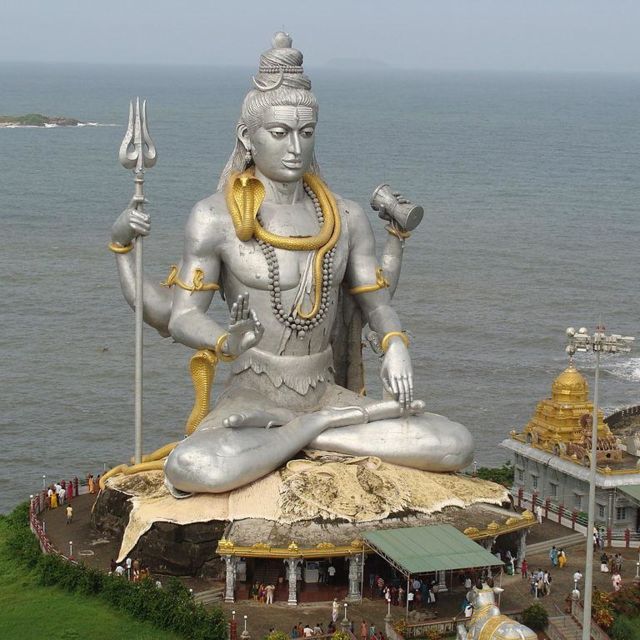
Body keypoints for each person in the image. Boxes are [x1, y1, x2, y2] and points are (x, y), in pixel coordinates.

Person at [110, 31, 474, 498]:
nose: (295, 148)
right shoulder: (215, 217)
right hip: (253, 393)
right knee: (193, 465)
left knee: (453, 443)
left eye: (306, 133)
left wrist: (396, 344)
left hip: (325, 389)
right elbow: (181, 317)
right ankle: (317, 431)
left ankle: (307, 432)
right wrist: (224, 340)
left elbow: (377, 303)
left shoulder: (345, 217)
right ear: (248, 136)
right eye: (279, 133)